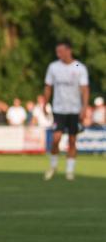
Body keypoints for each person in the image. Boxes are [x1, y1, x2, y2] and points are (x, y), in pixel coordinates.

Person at [43, 41, 89, 181]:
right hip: (59, 109)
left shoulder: (77, 66)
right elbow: (48, 86)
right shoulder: (53, 67)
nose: (59, 54)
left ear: (69, 51)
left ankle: (70, 170)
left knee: (72, 139)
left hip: (74, 110)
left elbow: (85, 88)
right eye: (57, 52)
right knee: (56, 138)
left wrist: (84, 107)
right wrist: (45, 103)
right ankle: (53, 165)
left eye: (61, 51)